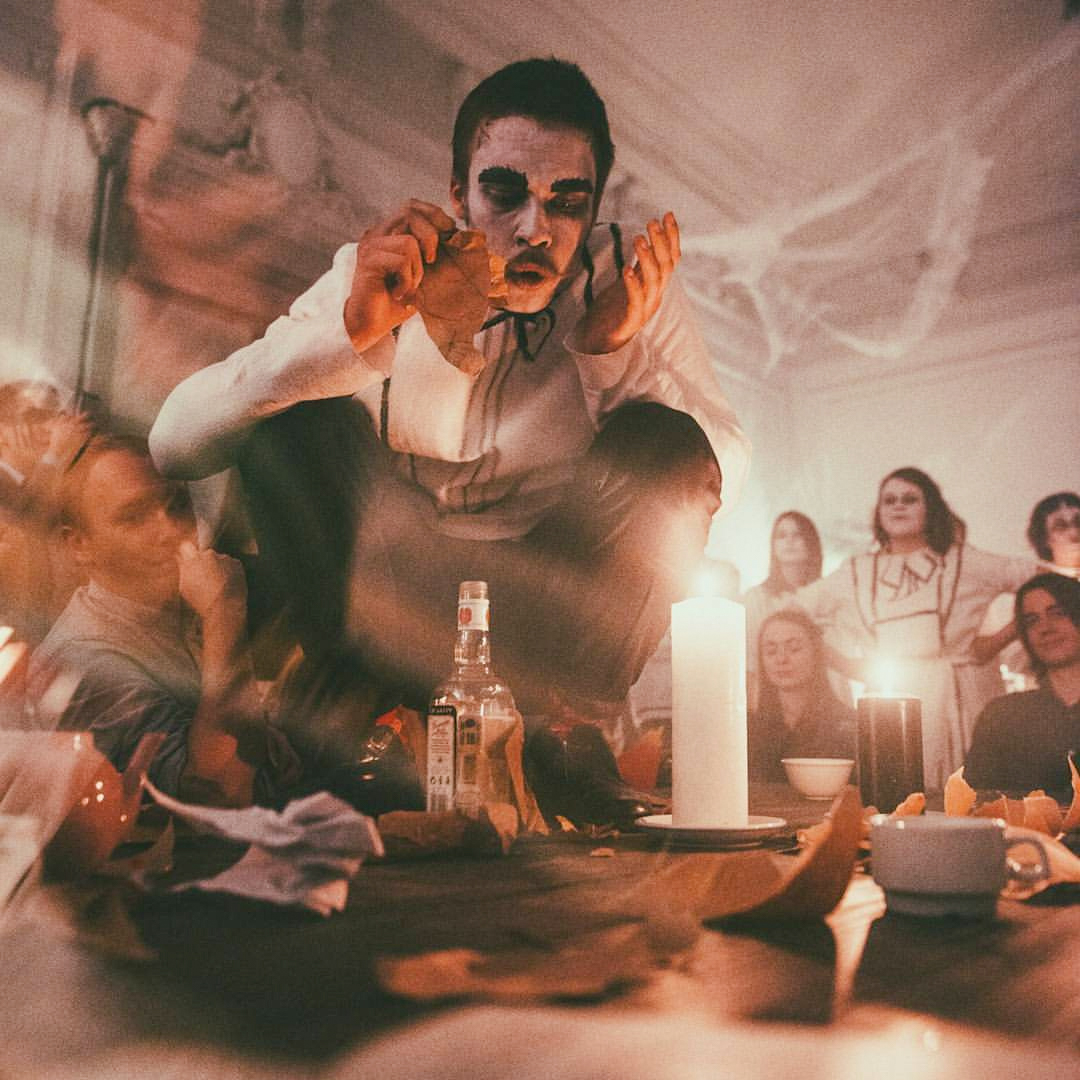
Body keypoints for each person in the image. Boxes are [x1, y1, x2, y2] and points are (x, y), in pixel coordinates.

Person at [148, 59, 750, 825]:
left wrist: (613, 356)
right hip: (390, 600)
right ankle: (385, 722)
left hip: (555, 611)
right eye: (505, 193)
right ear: (458, 192)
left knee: (666, 443)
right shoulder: (383, 265)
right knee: (293, 422)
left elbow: (717, 467)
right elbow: (174, 445)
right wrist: (345, 340)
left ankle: (555, 731)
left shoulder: (624, 278)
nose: (535, 230)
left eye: (567, 202)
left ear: (595, 207)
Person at [24, 435, 296, 806]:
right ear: (79, 545)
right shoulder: (88, 662)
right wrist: (224, 613)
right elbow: (219, 793)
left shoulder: (167, 609)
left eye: (177, 505)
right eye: (134, 517)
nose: (170, 530)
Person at [794, 467, 1037, 789]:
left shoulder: (963, 561)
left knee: (962, 794)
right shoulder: (858, 570)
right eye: (889, 500)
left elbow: (1041, 581)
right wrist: (845, 664)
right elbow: (795, 613)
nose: (898, 506)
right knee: (891, 789)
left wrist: (998, 639)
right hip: (886, 699)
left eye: (909, 499)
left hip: (957, 700)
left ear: (930, 507)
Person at [965, 573, 1080, 802]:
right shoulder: (1002, 716)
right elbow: (975, 804)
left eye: (1058, 613)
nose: (1045, 628)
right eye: (1032, 621)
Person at [748, 609, 855, 782]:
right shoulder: (748, 728)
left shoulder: (849, 724)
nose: (781, 659)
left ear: (816, 654)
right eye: (771, 651)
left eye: (794, 649)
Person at [740, 511, 823, 710]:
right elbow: (751, 662)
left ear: (811, 542)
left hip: (825, 696)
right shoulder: (755, 598)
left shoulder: (828, 595)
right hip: (773, 701)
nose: (789, 541)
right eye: (782, 535)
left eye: (797, 534)